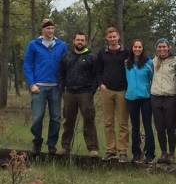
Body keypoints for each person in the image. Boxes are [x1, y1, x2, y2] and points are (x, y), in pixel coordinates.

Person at [23, 18, 68, 156]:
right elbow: (27, 65)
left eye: (52, 28)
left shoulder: (61, 45)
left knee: (55, 117)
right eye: (48, 28)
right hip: (39, 87)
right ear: (42, 29)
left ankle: (51, 144)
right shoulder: (34, 44)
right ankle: (37, 142)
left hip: (56, 87)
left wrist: (64, 85)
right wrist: (32, 84)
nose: (50, 31)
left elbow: (66, 65)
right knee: (37, 116)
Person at [56, 32, 99, 157]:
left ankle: (93, 149)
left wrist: (91, 92)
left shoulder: (91, 57)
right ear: (73, 41)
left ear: (86, 42)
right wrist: (62, 91)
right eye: (78, 40)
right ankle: (65, 147)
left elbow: (97, 75)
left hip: (85, 94)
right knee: (68, 122)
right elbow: (60, 74)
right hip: (69, 93)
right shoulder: (66, 56)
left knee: (89, 121)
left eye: (82, 40)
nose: (80, 42)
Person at [96, 27, 130, 162]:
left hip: (122, 90)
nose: (112, 39)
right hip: (107, 90)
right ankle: (111, 150)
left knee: (123, 122)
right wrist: (101, 85)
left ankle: (123, 151)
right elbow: (98, 71)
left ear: (118, 37)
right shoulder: (102, 53)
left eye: (114, 37)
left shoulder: (126, 52)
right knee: (108, 122)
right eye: (110, 37)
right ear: (106, 38)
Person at [124, 40, 155, 164]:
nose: (137, 49)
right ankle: (136, 154)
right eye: (135, 47)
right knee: (135, 127)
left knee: (147, 126)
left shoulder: (149, 63)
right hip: (131, 98)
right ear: (132, 48)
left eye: (139, 47)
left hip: (146, 98)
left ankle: (150, 154)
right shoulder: (127, 63)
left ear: (142, 48)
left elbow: (153, 79)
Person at [150, 38, 176, 164]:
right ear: (156, 48)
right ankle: (163, 152)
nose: (162, 49)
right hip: (156, 96)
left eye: (164, 47)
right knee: (159, 127)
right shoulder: (153, 61)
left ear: (168, 47)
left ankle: (171, 153)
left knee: (170, 127)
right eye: (159, 47)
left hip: (170, 97)